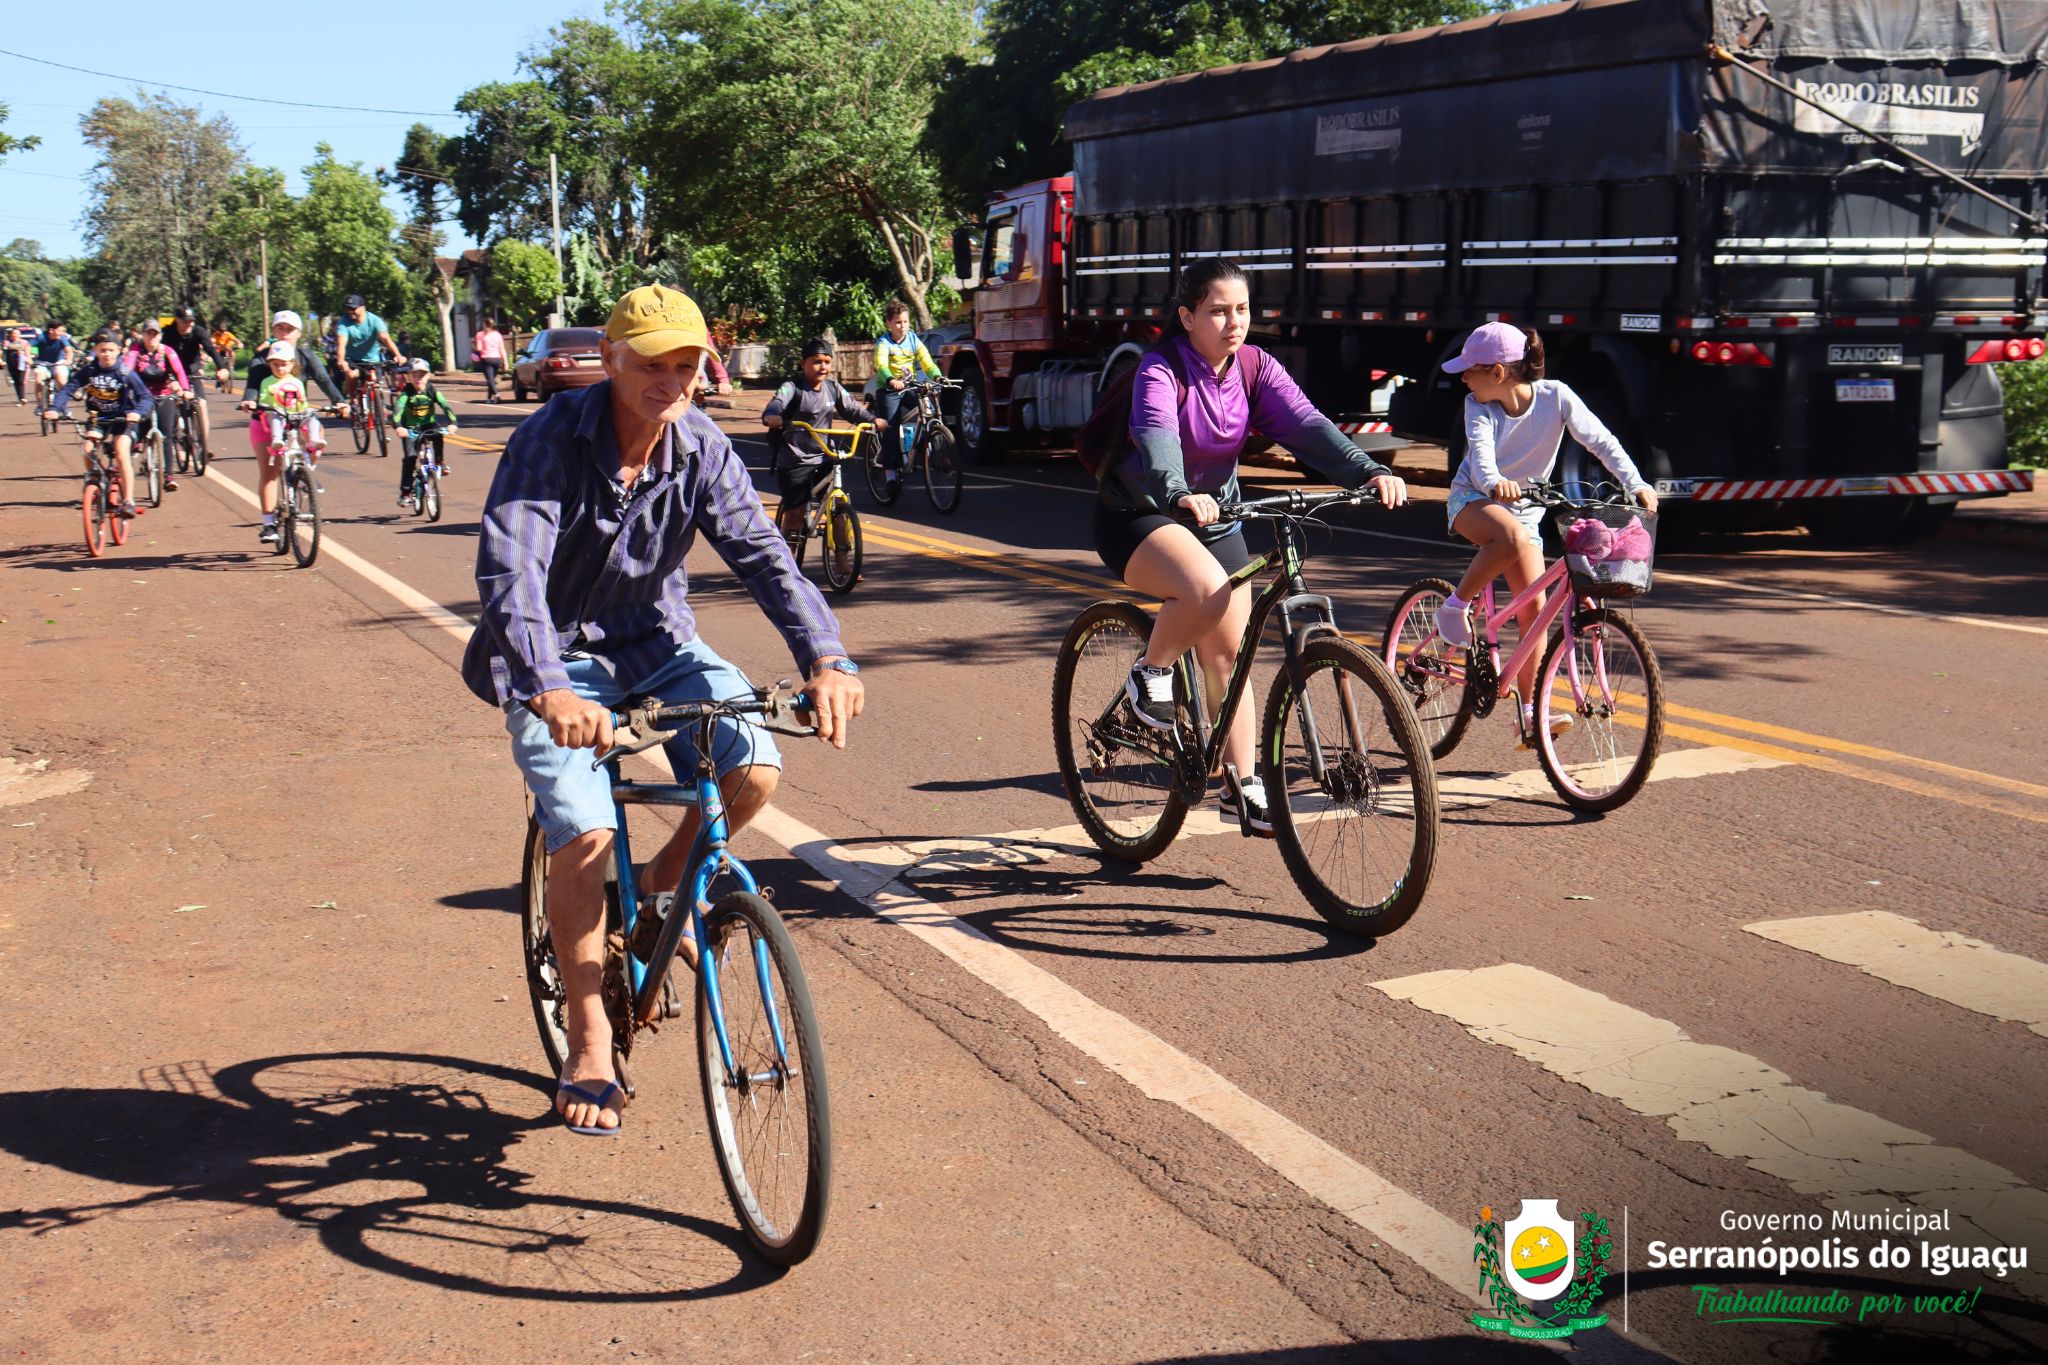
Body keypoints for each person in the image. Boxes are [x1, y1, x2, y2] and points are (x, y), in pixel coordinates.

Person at [464, 284, 864, 1135]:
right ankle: (587, 1035)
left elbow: (762, 554)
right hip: (557, 659)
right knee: (584, 828)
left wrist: (825, 657)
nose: (672, 382)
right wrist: (550, 687)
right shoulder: (546, 443)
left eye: (686, 365)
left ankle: (665, 881)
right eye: (652, 364)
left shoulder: (701, 446)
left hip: (656, 643)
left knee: (753, 764)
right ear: (610, 360)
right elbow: (511, 576)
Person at [1097, 257, 1409, 835]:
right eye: (1217, 311)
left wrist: (1365, 470)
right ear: (1187, 316)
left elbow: (1306, 425)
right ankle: (1151, 671)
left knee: (1229, 653)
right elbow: (1157, 434)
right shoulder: (1160, 371)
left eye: (1241, 309)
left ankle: (1240, 785)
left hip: (1219, 519)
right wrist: (1178, 491)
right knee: (1206, 589)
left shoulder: (1252, 367)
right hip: (1142, 515)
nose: (1233, 322)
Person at [1433, 322, 1658, 744]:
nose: (1463, 377)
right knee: (1512, 537)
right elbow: (1479, 458)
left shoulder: (1557, 397)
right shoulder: (1477, 406)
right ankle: (1454, 606)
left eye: (1469, 369)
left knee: (1535, 613)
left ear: (1498, 373)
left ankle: (1529, 712)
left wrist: (1637, 483)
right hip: (1473, 502)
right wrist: (1496, 480)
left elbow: (1602, 442)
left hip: (1525, 514)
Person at [761, 336, 885, 574]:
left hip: (824, 455)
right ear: (803, 363)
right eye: (817, 361)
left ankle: (841, 560)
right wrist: (773, 415)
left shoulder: (832, 388)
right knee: (795, 512)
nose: (823, 367)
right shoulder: (793, 387)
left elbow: (852, 409)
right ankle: (785, 566)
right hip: (795, 459)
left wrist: (873, 421)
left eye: (827, 361)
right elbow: (776, 403)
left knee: (838, 503)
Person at [240, 311, 346, 545]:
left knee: (317, 434)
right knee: (269, 472)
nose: (285, 333)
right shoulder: (261, 359)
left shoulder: (306, 356)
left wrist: (340, 401)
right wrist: (249, 400)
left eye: (290, 329)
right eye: (280, 328)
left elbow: (324, 380)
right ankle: (268, 523)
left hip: (297, 417)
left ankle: (305, 472)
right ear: (274, 331)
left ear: (298, 333)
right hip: (267, 422)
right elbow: (252, 387)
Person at [45, 330, 153, 520]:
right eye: (102, 350)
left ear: (119, 351)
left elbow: (145, 397)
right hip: (98, 418)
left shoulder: (125, 372)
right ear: (95, 350)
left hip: (123, 420)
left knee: (121, 451)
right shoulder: (90, 370)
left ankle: (128, 501)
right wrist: (55, 408)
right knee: (88, 449)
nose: (106, 354)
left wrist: (137, 413)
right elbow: (69, 388)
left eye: (111, 350)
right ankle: (96, 480)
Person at [869, 299, 942, 491]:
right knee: (891, 429)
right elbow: (881, 365)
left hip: (909, 387)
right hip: (889, 390)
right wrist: (891, 380)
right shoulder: (884, 343)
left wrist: (938, 376)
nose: (903, 326)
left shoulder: (913, 339)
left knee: (928, 411)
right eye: (898, 322)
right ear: (889, 324)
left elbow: (927, 361)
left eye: (906, 322)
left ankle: (929, 452)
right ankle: (890, 474)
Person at [123, 320, 192, 491]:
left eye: (155, 334)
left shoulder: (168, 351)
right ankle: (133, 450)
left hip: (164, 395)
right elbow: (126, 369)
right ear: (143, 335)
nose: (151, 337)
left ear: (160, 336)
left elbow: (179, 371)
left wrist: (185, 389)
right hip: (142, 396)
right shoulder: (135, 351)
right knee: (139, 428)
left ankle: (168, 476)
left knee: (167, 434)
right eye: (148, 333)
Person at [161, 306, 230, 455]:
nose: (188, 325)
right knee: (175, 402)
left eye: (191, 322)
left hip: (193, 371)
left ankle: (203, 446)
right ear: (177, 320)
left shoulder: (198, 331)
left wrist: (222, 368)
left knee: (202, 405)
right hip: (173, 372)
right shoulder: (168, 333)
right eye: (184, 322)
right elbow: (163, 358)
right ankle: (175, 434)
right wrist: (170, 378)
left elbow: (211, 350)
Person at [392, 356, 458, 509]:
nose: (418, 379)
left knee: (438, 434)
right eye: (414, 375)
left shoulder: (432, 390)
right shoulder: (406, 393)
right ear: (408, 377)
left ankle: (439, 462)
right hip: (410, 429)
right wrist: (398, 427)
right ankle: (405, 492)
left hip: (428, 424)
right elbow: (398, 410)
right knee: (410, 458)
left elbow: (445, 406)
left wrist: (452, 423)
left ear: (428, 375)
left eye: (421, 375)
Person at [331, 294, 404, 399]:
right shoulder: (343, 322)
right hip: (353, 360)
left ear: (363, 308)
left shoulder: (374, 320)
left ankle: (379, 409)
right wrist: (341, 360)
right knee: (352, 375)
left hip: (373, 360)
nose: (350, 311)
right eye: (348, 308)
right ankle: (354, 402)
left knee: (376, 385)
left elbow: (386, 340)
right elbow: (341, 344)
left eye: (353, 308)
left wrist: (398, 355)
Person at [34, 322, 74, 397]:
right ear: (51, 330)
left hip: (58, 362)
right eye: (60, 331)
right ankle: (40, 406)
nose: (62, 333)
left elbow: (69, 350)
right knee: (38, 381)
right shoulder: (41, 337)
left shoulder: (62, 338)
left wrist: (69, 360)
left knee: (62, 382)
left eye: (63, 331)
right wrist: (28, 358)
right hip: (42, 362)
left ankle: (63, 406)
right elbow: (28, 346)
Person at [470, 317, 506, 402]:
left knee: (490, 379)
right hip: (497, 359)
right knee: (492, 380)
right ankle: (489, 398)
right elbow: (502, 349)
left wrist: (474, 348)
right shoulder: (497, 335)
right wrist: (505, 361)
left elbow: (479, 348)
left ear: (484, 324)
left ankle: (497, 395)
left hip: (486, 359)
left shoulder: (480, 334)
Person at [211, 321, 241, 390]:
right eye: (221, 331)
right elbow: (211, 340)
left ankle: (231, 367)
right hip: (220, 350)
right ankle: (218, 380)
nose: (222, 333)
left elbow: (237, 341)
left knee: (233, 353)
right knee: (218, 364)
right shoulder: (215, 335)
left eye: (223, 331)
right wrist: (212, 343)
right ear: (218, 331)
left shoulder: (228, 334)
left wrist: (239, 344)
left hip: (228, 349)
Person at [3, 327, 29, 404]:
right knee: (16, 381)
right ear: (11, 335)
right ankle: (20, 398)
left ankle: (23, 397)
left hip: (21, 363)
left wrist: (22, 352)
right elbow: (5, 351)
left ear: (20, 334)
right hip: (11, 363)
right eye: (13, 333)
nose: (15, 335)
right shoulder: (6, 342)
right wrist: (3, 360)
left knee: (21, 381)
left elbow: (27, 350)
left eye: (17, 333)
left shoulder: (24, 342)